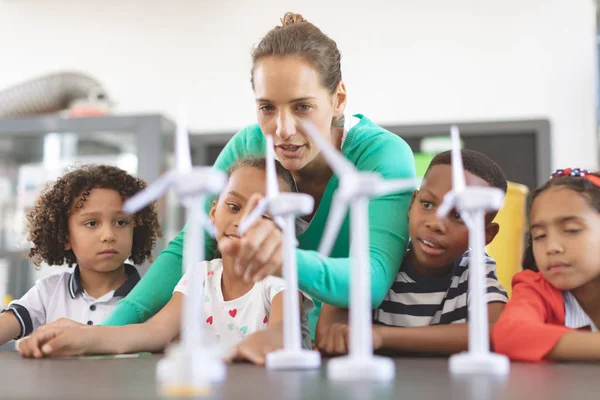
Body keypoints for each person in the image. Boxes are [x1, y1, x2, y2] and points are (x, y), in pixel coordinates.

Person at [102, 12, 416, 337]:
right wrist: (105, 332)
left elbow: (373, 278)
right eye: (267, 108)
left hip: (338, 344)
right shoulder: (249, 145)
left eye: (302, 107)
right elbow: (193, 243)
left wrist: (285, 259)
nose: (282, 130)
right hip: (252, 343)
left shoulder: (382, 156)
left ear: (338, 99)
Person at [18, 158, 312, 366]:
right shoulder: (200, 276)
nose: (242, 222)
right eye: (233, 207)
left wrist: (255, 346)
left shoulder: (283, 277)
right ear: (212, 213)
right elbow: (155, 331)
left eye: (262, 214)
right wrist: (83, 337)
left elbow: (284, 332)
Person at [317, 150, 508, 355]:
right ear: (411, 203)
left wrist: (380, 336)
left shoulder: (476, 270)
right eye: (427, 204)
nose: (436, 223)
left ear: (485, 234)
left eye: (458, 215)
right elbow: (330, 332)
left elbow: (496, 333)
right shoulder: (380, 261)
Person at [0, 165, 161, 346]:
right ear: (65, 236)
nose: (108, 235)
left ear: (135, 229)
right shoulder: (48, 292)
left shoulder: (150, 299)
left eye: (121, 222)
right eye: (92, 223)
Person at [493, 168, 600, 362]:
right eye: (539, 236)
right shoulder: (535, 288)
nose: (551, 247)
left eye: (571, 230)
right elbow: (509, 334)